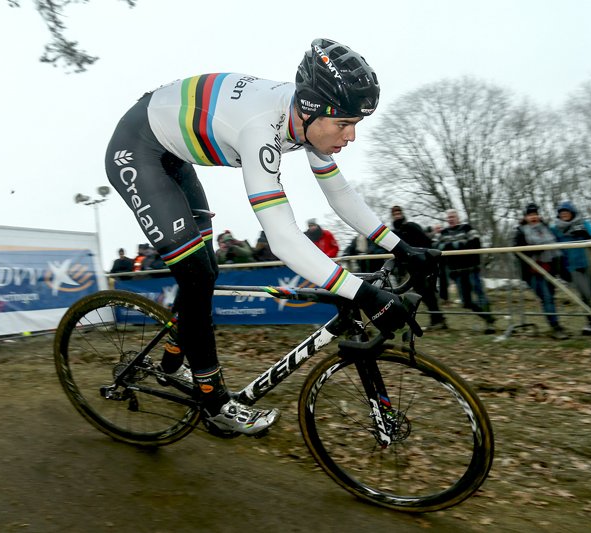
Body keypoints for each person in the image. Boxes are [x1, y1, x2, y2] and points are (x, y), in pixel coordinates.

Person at [104, 39, 433, 437]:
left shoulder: (307, 118)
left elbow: (340, 193)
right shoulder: (262, 127)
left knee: (205, 273)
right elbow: (282, 237)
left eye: (355, 125)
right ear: (311, 110)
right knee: (197, 275)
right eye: (344, 124)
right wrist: (365, 295)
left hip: (172, 154)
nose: (351, 136)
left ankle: (172, 364)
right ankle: (213, 401)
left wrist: (401, 248)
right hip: (138, 149)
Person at [550, 201, 591, 336]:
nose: (564, 215)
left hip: (590, 263)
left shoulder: (583, 223)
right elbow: (552, 243)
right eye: (561, 213)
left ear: (572, 213)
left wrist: (586, 233)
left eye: (566, 212)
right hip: (572, 266)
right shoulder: (556, 228)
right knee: (584, 295)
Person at [435, 209, 495, 334]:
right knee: (466, 302)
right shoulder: (443, 233)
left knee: (480, 295)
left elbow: (475, 242)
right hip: (456, 272)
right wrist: (459, 245)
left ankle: (489, 323)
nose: (451, 219)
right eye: (449, 217)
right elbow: (436, 247)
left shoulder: (467, 228)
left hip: (471, 269)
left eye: (453, 216)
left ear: (458, 218)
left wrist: (452, 246)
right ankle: (488, 317)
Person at [513, 203, 568, 339]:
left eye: (535, 214)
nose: (533, 217)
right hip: (533, 270)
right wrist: (538, 249)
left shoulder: (546, 228)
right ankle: (555, 327)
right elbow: (517, 250)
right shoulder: (521, 231)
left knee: (549, 297)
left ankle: (555, 324)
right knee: (546, 298)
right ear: (525, 217)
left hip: (549, 268)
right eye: (530, 215)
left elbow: (555, 244)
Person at [390, 205, 446, 329]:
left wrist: (426, 259)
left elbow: (426, 241)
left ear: (402, 214)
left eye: (399, 213)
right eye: (394, 214)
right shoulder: (395, 233)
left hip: (422, 264)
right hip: (411, 267)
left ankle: (438, 320)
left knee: (427, 293)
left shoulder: (411, 226)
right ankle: (437, 319)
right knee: (423, 293)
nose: (397, 215)